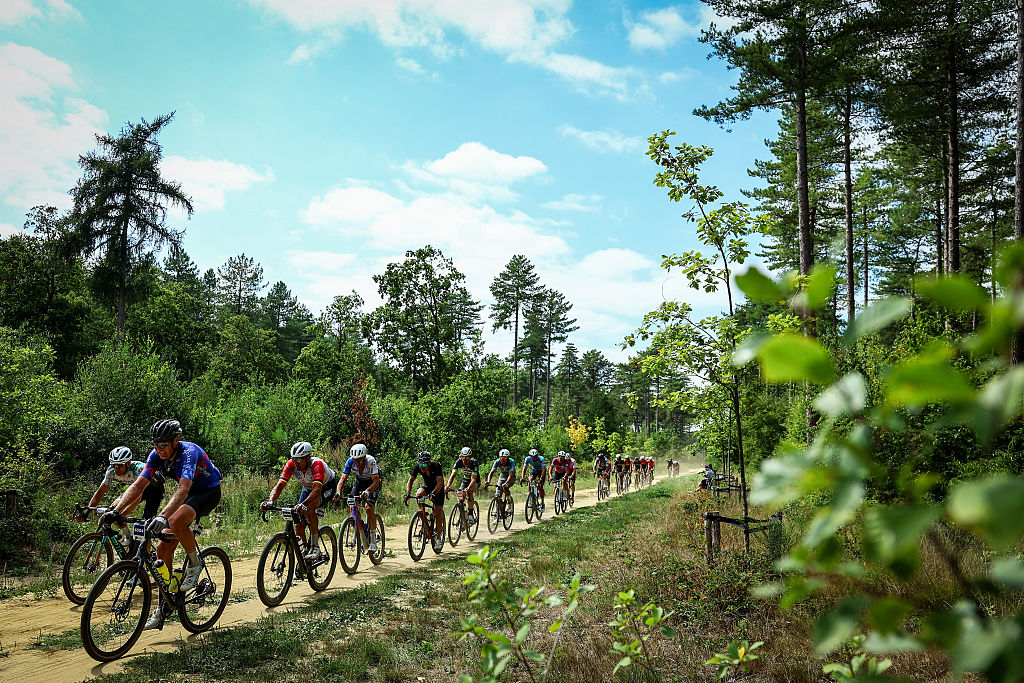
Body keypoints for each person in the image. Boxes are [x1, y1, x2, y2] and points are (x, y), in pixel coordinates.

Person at [114, 419, 222, 630]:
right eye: (155, 444)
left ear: (175, 440)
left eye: (163, 444)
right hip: (189, 493)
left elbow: (183, 489)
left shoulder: (189, 452)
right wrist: (116, 511)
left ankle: (195, 563)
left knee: (174, 520)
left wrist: (163, 516)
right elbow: (138, 485)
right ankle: (164, 604)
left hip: (208, 491)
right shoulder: (155, 456)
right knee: (162, 547)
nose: (159, 449)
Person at [261, 442, 339, 565]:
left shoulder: (317, 464)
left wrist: (305, 505)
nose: (295, 463)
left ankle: (315, 546)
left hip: (326, 486)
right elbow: (280, 485)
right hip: (308, 488)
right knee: (298, 521)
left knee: (310, 508)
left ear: (308, 458)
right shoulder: (291, 464)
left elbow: (317, 489)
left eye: (299, 459)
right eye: (294, 459)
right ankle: (304, 554)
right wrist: (270, 501)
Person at [79, 447, 166, 543]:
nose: (116, 468)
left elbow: (137, 497)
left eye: (119, 465)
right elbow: (100, 493)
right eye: (113, 465)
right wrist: (86, 513)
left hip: (154, 490)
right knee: (113, 511)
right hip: (135, 488)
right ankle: (129, 538)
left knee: (145, 526)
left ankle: (145, 550)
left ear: (128, 463)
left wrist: (119, 514)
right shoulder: (111, 471)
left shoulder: (138, 469)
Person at [336, 443, 381, 552]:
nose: (356, 462)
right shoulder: (350, 461)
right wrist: (338, 492)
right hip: (359, 482)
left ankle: (373, 541)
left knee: (369, 508)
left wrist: (367, 492)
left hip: (372, 483)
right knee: (352, 506)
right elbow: (343, 479)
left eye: (359, 460)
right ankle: (363, 529)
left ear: (364, 457)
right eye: (354, 460)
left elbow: (376, 482)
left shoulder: (370, 461)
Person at [405, 451, 445, 540]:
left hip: (438, 488)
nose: (421, 467)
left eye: (424, 465)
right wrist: (408, 493)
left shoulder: (436, 465)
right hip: (427, 485)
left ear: (429, 463)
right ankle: (424, 514)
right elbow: (410, 480)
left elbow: (440, 482)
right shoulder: (418, 466)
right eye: (420, 464)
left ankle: (438, 535)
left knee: (437, 511)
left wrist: (433, 494)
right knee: (419, 494)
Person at [446, 446, 480, 516]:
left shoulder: (474, 463)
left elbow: (473, 479)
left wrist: (468, 488)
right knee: (460, 496)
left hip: (475, 481)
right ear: (461, 457)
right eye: (463, 458)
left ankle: (470, 514)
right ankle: (462, 515)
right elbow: (452, 475)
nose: (465, 460)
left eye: (467, 458)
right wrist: (447, 486)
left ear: (470, 457)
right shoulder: (458, 462)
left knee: (469, 492)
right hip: (465, 480)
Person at [484, 448, 517, 513]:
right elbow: (491, 472)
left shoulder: (511, 461)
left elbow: (510, 474)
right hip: (502, 476)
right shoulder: (497, 461)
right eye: (501, 458)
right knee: (498, 493)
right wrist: (488, 481)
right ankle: (497, 511)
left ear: (508, 458)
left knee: (505, 487)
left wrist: (506, 483)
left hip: (511, 476)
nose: (502, 460)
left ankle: (509, 503)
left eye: (504, 458)